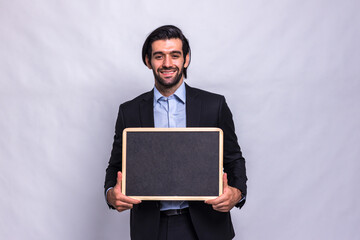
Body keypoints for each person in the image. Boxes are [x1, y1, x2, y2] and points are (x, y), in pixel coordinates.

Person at [104, 25, 247, 240]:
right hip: (151, 229)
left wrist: (236, 193)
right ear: (148, 61)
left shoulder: (214, 105)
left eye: (175, 55)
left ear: (186, 59)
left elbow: (234, 159)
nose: (167, 63)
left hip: (206, 226)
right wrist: (111, 195)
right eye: (159, 56)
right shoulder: (129, 112)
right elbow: (115, 167)